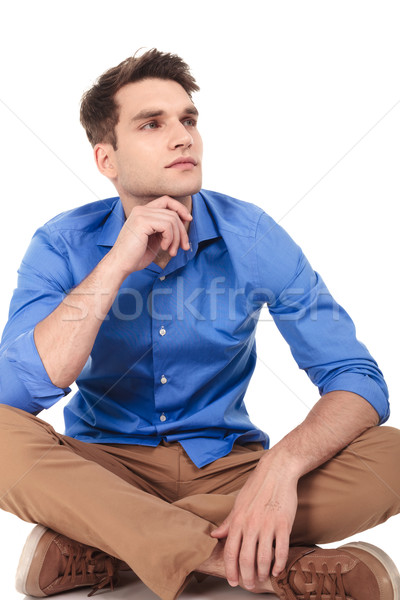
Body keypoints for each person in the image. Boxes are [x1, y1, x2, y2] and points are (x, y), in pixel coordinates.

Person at [0, 48, 399, 600]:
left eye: (188, 119)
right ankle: (255, 562)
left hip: (229, 470)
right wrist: (115, 262)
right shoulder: (60, 244)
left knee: (392, 455)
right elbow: (14, 394)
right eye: (152, 124)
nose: (184, 137)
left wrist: (279, 471)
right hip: (105, 468)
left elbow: (356, 378)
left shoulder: (253, 236)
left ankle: (108, 545)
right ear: (106, 160)